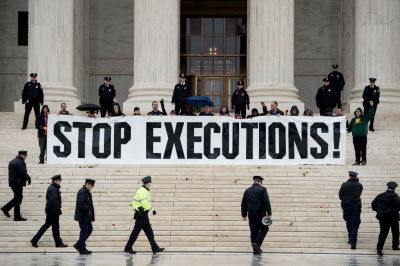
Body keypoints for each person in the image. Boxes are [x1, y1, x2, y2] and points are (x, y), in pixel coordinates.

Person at [124, 176, 164, 254]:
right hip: (141, 214)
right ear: (148, 183)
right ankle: (128, 248)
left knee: (149, 232)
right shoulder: (143, 191)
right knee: (136, 232)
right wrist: (152, 209)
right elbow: (144, 202)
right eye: (150, 182)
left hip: (143, 214)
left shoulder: (144, 190)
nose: (151, 183)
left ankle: (155, 248)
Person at [31, 175, 67, 248]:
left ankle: (35, 240)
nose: (60, 182)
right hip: (53, 211)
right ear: (55, 181)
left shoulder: (53, 188)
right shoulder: (53, 188)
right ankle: (58, 243)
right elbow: (54, 201)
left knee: (47, 225)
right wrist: (57, 209)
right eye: (59, 180)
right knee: (55, 227)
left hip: (51, 210)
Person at [241, 176, 272, 255]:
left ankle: (255, 250)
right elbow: (266, 201)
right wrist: (269, 213)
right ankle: (257, 244)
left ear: (254, 181)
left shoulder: (247, 190)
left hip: (250, 214)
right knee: (264, 229)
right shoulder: (263, 189)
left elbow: (243, 203)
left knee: (253, 231)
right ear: (260, 182)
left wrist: (244, 214)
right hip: (260, 213)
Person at [371, 181, 400, 256]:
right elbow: (398, 205)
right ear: (394, 188)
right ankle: (395, 246)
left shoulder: (380, 195)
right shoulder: (395, 195)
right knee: (395, 232)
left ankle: (379, 248)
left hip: (383, 217)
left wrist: (378, 210)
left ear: (388, 187)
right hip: (393, 217)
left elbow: (373, 204)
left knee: (383, 233)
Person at [1, 150, 31, 221]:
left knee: (18, 198)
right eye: (25, 156)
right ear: (21, 155)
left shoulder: (14, 161)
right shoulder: (19, 162)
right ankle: (16, 216)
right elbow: (22, 173)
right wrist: (28, 178)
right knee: (18, 199)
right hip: (17, 183)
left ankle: (6, 208)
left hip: (14, 183)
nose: (26, 157)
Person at [338, 171, 363, 250]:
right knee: (355, 224)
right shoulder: (359, 185)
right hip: (356, 206)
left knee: (348, 222)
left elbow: (340, 196)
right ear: (356, 176)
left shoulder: (344, 185)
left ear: (349, 176)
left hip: (346, 206)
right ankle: (353, 242)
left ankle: (350, 238)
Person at [347, 101, 375, 166]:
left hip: (363, 136)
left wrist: (371, 106)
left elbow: (371, 114)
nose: (357, 112)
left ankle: (363, 161)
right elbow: (350, 128)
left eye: (358, 111)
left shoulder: (364, 118)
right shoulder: (353, 120)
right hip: (355, 137)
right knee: (356, 149)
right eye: (356, 112)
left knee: (363, 149)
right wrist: (346, 122)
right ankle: (357, 161)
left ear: (361, 112)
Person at [73, 179, 96, 255]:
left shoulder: (86, 192)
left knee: (89, 229)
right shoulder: (82, 192)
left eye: (92, 186)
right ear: (87, 184)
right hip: (83, 216)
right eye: (91, 185)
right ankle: (81, 246)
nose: (92, 187)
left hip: (87, 216)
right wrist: (87, 210)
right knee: (85, 230)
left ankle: (80, 244)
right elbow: (80, 203)